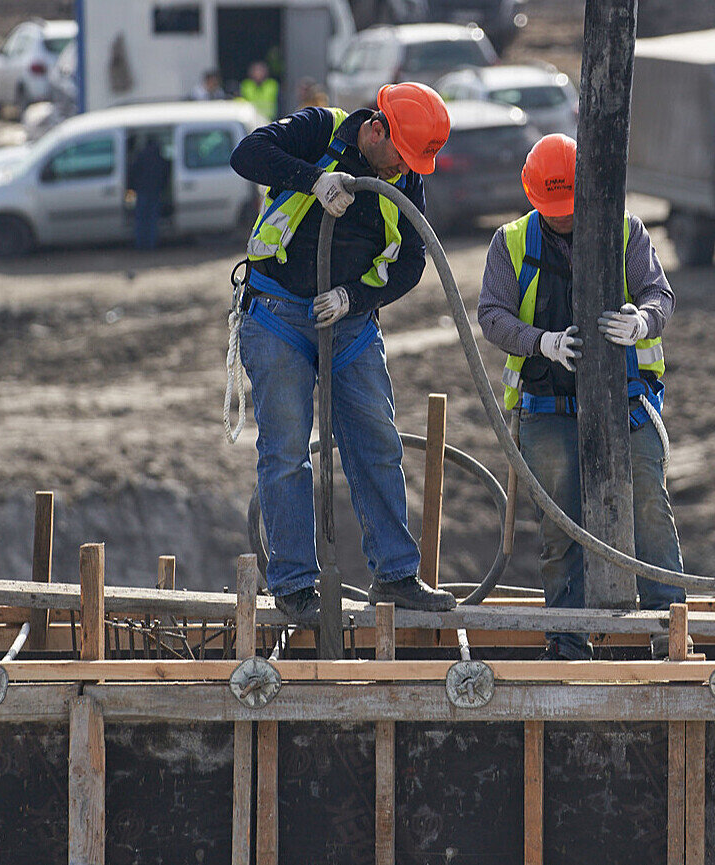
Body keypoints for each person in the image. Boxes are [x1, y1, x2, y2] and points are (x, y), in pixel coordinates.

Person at [230, 82, 459, 623]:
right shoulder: (320, 129)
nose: (406, 169)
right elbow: (248, 154)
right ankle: (293, 586)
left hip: (349, 323)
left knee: (376, 443)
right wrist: (315, 178)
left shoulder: (406, 178)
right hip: (278, 314)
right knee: (286, 450)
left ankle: (397, 575)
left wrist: (353, 297)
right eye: (402, 155)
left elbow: (409, 265)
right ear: (376, 129)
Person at [476, 134, 687, 659]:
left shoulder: (624, 230)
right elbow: (491, 314)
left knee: (648, 508)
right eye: (555, 209)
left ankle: (668, 634)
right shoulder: (512, 242)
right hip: (547, 408)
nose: (564, 218)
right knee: (561, 525)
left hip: (628, 404)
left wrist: (641, 321)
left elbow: (659, 294)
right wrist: (540, 343)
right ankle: (566, 641)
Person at [128, 131, 171, 250]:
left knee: (141, 220)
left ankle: (140, 245)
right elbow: (165, 174)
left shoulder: (140, 155)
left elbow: (133, 172)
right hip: (155, 191)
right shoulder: (160, 158)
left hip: (142, 191)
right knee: (152, 220)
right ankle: (151, 245)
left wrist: (133, 187)